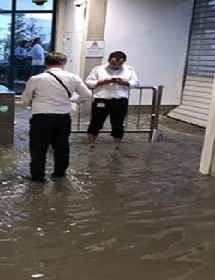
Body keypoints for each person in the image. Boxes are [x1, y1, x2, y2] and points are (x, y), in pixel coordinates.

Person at [22, 52, 92, 182]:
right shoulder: (73, 78)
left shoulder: (36, 79)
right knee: (62, 146)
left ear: (46, 63)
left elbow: (26, 99)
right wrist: (72, 100)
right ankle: (59, 173)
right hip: (63, 117)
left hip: (41, 117)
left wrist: (33, 104)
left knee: (38, 147)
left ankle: (38, 176)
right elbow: (87, 96)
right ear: (63, 63)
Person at [85, 51, 140, 149]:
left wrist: (126, 82)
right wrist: (101, 82)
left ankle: (117, 144)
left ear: (124, 62)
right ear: (108, 60)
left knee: (118, 123)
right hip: (101, 100)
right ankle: (91, 143)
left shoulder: (129, 70)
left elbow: (136, 83)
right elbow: (88, 82)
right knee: (95, 122)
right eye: (113, 63)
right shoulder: (98, 69)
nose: (116, 66)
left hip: (120, 100)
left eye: (119, 64)